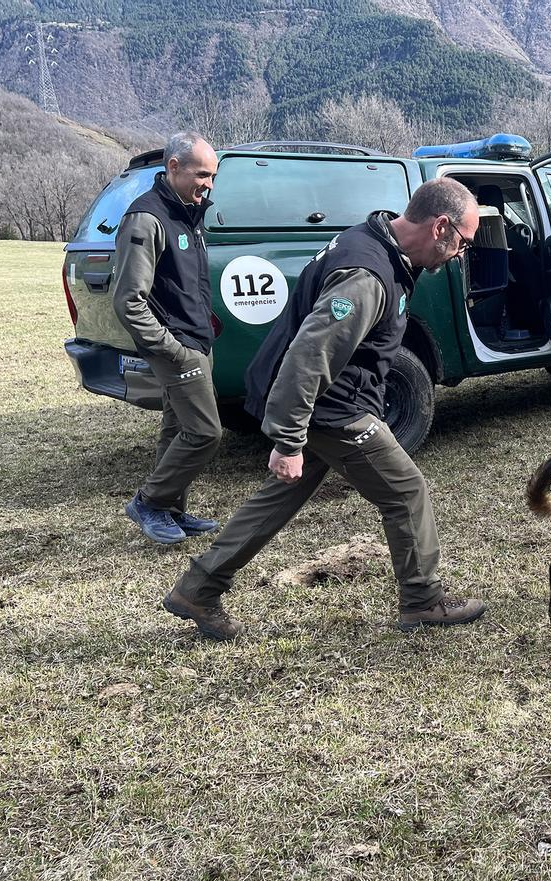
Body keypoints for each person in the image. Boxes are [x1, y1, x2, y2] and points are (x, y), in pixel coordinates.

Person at [162, 177, 486, 640]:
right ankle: (423, 600)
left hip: (324, 401)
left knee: (278, 497)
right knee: (407, 493)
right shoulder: (367, 276)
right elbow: (309, 354)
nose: (460, 254)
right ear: (440, 227)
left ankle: (199, 587)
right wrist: (289, 438)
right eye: (463, 242)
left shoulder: (376, 242)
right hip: (332, 408)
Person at [112, 131, 223, 545]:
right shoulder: (148, 217)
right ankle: (148, 502)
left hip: (195, 340)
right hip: (175, 345)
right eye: (202, 174)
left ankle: (171, 511)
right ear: (173, 167)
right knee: (206, 432)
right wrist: (172, 349)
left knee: (177, 428)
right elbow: (129, 300)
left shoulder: (187, 213)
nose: (208, 184)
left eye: (212, 176)